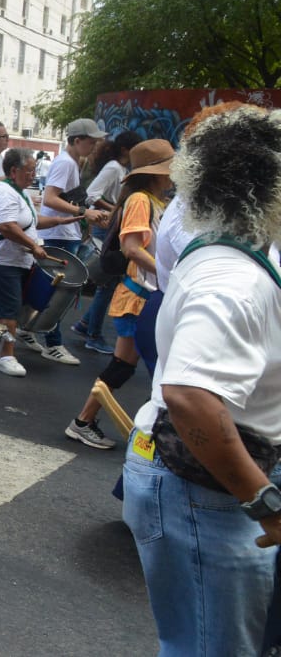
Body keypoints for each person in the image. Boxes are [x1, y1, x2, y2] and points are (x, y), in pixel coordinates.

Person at [122, 105, 281, 656]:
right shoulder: (232, 280)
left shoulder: (234, 248)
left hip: (209, 487)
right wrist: (264, 502)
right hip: (206, 493)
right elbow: (189, 397)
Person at [64, 139, 174, 450]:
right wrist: (170, 275)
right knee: (127, 367)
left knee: (129, 367)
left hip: (145, 295)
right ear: (156, 173)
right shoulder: (140, 200)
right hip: (138, 297)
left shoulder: (154, 201)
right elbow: (132, 248)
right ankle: (84, 422)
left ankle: (84, 422)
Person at [0, 149, 85, 377]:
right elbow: (6, 226)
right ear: (13, 171)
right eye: (29, 170)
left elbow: (30, 222)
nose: (33, 175)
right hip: (2, 261)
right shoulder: (4, 192)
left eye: (34, 170)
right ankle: (6, 356)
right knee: (9, 312)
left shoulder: (20, 192)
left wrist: (59, 220)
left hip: (17, 261)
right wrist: (34, 246)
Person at [21, 118, 111, 364]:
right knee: (58, 294)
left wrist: (84, 215)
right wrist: (83, 213)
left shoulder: (71, 162)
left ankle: (27, 329)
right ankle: (53, 343)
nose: (94, 146)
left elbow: (62, 198)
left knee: (52, 291)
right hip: (58, 234)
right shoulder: (65, 163)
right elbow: (50, 198)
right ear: (77, 140)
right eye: (91, 141)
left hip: (62, 233)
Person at [73, 130, 143, 354]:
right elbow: (92, 194)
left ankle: (86, 324)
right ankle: (93, 334)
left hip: (110, 228)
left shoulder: (121, 168)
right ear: (125, 150)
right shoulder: (114, 167)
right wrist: (116, 211)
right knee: (107, 284)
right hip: (106, 230)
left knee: (109, 283)